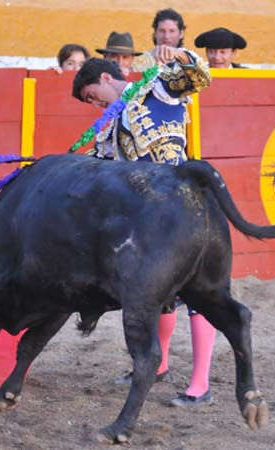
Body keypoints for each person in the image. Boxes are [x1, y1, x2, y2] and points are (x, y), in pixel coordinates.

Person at [73, 47, 214, 406]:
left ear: (106, 78)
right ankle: (160, 365)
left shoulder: (158, 88)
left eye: (92, 95)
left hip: (182, 205)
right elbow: (96, 163)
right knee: (158, 294)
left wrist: (180, 54)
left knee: (199, 294)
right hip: (145, 217)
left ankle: (200, 384)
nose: (95, 104)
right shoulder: (110, 127)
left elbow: (199, 77)